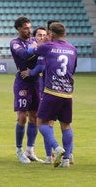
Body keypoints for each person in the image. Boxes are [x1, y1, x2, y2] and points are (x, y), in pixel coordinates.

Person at [28, 22, 77, 168]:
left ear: (52, 34)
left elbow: (31, 50)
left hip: (52, 91)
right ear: (65, 34)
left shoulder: (49, 46)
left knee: (41, 122)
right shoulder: (73, 49)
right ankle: (67, 159)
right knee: (66, 126)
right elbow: (73, 69)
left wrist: (42, 41)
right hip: (68, 93)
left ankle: (56, 147)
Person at [10, 16, 43, 164]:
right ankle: (19, 150)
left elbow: (41, 59)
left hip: (36, 82)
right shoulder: (15, 43)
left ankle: (30, 150)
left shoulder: (33, 41)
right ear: (18, 29)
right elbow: (23, 55)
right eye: (25, 28)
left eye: (30, 27)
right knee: (22, 117)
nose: (28, 30)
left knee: (34, 117)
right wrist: (38, 47)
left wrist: (33, 70)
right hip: (22, 83)